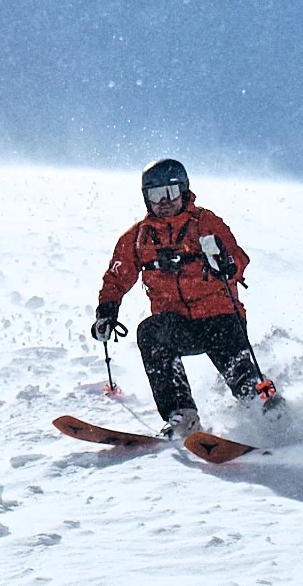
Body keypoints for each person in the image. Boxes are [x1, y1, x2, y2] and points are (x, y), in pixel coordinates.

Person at [91, 158, 282, 438]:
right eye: (156, 196)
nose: (164, 202)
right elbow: (117, 276)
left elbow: (239, 259)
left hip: (221, 319)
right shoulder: (138, 238)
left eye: (170, 193)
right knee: (150, 333)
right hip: (178, 324)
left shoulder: (205, 223)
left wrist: (225, 262)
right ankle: (183, 416)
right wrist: (107, 311)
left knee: (243, 376)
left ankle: (275, 418)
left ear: (184, 191)